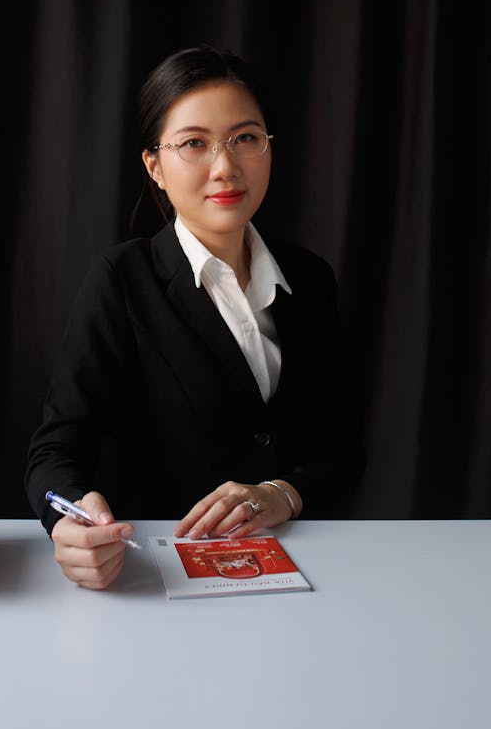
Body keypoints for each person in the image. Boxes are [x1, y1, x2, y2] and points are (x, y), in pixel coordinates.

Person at [25, 45, 365, 589]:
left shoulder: (310, 278)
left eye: (245, 138)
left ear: (269, 148)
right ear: (154, 167)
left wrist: (282, 494)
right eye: (194, 144)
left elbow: (346, 447)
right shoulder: (120, 280)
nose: (225, 166)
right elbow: (54, 454)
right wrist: (68, 521)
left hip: (309, 573)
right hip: (162, 578)